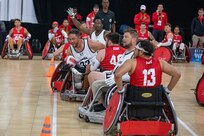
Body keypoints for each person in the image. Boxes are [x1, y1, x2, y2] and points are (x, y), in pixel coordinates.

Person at [88, 28, 137, 111]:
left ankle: (101, 103)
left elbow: (133, 74)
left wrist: (117, 78)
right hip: (114, 76)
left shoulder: (134, 54)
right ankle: (101, 102)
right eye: (123, 37)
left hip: (121, 82)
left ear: (133, 40)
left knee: (92, 77)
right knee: (93, 76)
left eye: (126, 37)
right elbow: (118, 67)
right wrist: (111, 72)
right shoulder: (125, 52)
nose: (123, 39)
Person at [114, 40, 181, 94]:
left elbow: (117, 75)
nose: (134, 51)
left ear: (141, 52)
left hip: (135, 97)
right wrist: (168, 90)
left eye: (136, 49)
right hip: (155, 98)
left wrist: (120, 90)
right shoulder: (160, 63)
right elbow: (177, 74)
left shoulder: (131, 62)